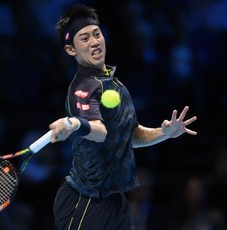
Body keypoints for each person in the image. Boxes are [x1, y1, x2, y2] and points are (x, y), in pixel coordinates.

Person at [48, 4, 197, 230]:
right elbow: (98, 132)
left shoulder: (116, 85)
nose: (94, 42)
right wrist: (75, 122)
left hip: (115, 199)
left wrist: (165, 133)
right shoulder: (83, 86)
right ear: (71, 50)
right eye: (84, 38)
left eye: (97, 34)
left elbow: (132, 136)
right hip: (84, 201)